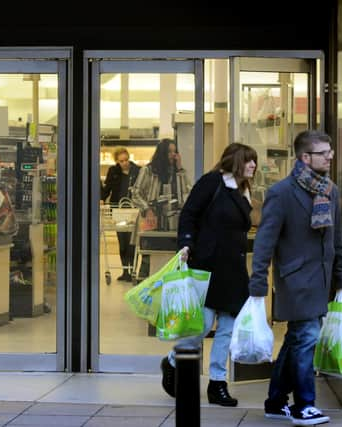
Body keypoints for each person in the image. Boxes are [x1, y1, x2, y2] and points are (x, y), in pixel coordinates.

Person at [248, 130, 342, 426]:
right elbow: (264, 242)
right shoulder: (281, 193)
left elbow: (337, 241)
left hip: (322, 280)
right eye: (323, 152)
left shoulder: (331, 190)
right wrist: (257, 286)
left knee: (295, 342)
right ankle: (304, 404)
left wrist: (341, 280)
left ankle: (276, 402)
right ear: (305, 157)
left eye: (330, 151)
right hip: (294, 280)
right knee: (307, 339)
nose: (330, 156)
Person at [159, 142, 258, 407]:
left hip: (234, 269)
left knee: (227, 328)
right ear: (235, 161)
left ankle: (218, 383)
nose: (253, 165)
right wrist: (186, 243)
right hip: (207, 265)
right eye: (248, 160)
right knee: (201, 326)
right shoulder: (212, 183)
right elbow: (189, 213)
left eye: (254, 161)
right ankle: (171, 361)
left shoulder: (245, 190)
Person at [131, 138, 190, 278]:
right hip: (150, 219)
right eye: (169, 151)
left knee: (170, 257)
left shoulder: (178, 173)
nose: (173, 155)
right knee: (148, 257)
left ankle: (170, 288)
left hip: (172, 222)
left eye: (175, 152)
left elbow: (186, 193)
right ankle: (144, 288)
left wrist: (180, 169)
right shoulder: (148, 170)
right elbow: (135, 193)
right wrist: (147, 208)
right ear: (162, 153)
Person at [101, 147, 140, 281]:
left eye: (126, 160)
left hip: (133, 210)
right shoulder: (114, 171)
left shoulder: (137, 171)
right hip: (118, 209)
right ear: (117, 161)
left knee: (132, 241)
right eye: (121, 161)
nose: (125, 163)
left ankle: (132, 269)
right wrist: (101, 198)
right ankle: (125, 271)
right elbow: (108, 188)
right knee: (122, 241)